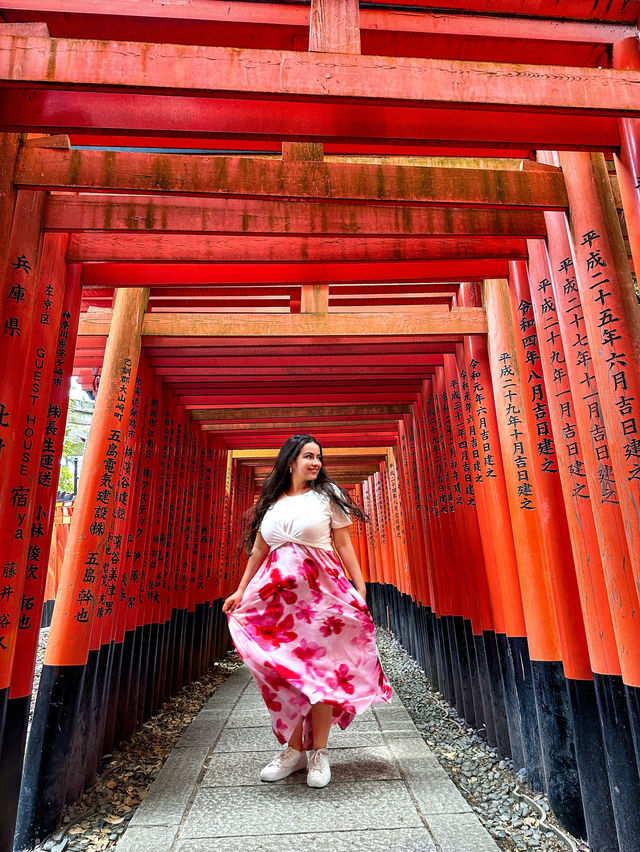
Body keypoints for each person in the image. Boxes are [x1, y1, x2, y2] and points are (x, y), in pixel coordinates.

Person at [223, 434, 392, 789]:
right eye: (308, 456)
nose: (315, 463)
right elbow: (257, 552)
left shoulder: (328, 497)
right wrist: (241, 590)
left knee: (321, 675)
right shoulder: (270, 503)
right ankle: (295, 751)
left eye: (318, 457)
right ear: (291, 461)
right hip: (278, 610)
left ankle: (317, 753)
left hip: (321, 602)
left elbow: (344, 543)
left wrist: (359, 587)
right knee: (287, 674)